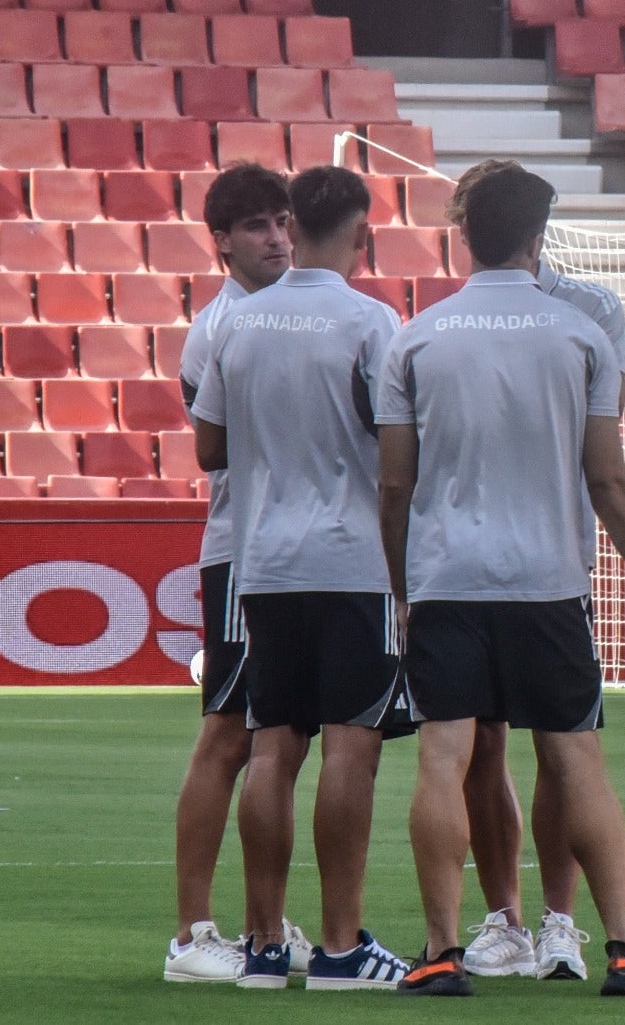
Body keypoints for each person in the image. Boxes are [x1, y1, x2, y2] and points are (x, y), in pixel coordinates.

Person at [377, 167, 625, 998]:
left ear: (466, 234)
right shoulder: (581, 336)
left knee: (444, 758)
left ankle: (440, 950)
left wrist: (402, 588)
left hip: (448, 578)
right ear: (540, 234)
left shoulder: (416, 339)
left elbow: (393, 484)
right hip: (548, 583)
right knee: (575, 757)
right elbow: (608, 480)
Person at [191, 165, 410, 991]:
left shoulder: (238, 323)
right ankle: (343, 948)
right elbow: (399, 450)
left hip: (263, 563)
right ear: (359, 232)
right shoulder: (372, 321)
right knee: (352, 745)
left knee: (273, 745)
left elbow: (209, 447)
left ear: (294, 223)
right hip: (350, 559)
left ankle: (262, 946)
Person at [441, 160, 625, 983]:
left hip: (552, 560)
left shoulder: (591, 311)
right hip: (471, 564)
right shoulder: (447, 323)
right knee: (480, 745)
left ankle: (560, 921)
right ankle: (503, 919)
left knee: (560, 747)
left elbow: (599, 447)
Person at [164, 163, 297, 984]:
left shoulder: (292, 314)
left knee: (280, 737)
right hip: (248, 552)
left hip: (292, 552)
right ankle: (191, 934)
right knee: (229, 734)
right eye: (256, 226)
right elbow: (223, 454)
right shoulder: (220, 330)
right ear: (221, 242)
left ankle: (265, 928)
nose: (277, 238)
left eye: (282, 221)